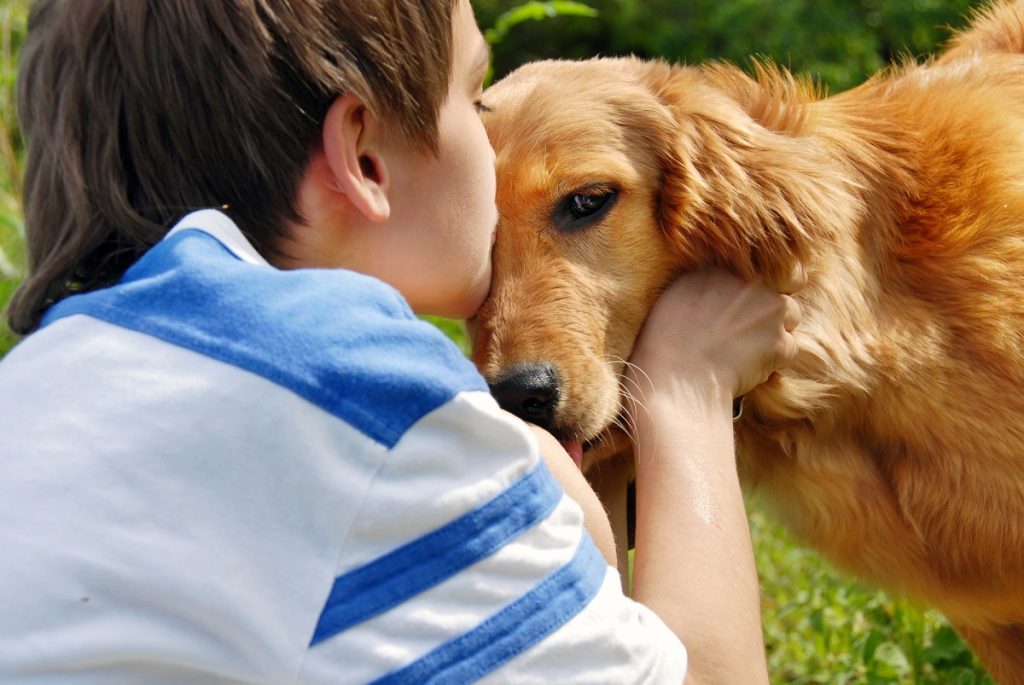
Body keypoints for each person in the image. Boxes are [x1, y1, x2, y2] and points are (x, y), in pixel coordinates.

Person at [0, 0, 798, 683]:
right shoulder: (363, 396)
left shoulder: (40, 381)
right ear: (365, 157)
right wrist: (688, 389)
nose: (493, 146)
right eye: (473, 95)